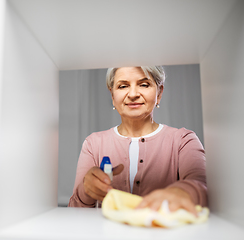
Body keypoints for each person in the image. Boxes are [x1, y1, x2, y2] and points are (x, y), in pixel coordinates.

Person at [68, 66, 207, 216]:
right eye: (123, 86)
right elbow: (74, 213)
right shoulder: (93, 144)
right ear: (113, 95)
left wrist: (182, 192)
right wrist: (87, 190)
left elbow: (203, 186)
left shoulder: (183, 140)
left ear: (159, 93)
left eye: (144, 84)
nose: (133, 94)